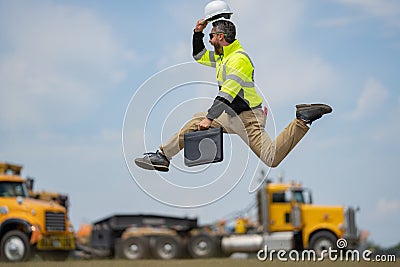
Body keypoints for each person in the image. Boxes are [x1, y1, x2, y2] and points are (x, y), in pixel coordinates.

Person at [134, 19, 332, 172]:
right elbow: (198, 56)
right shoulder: (223, 56)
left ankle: (302, 120)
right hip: (230, 116)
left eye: (211, 36)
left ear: (220, 37)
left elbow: (227, 93)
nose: (209, 40)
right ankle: (163, 156)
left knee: (271, 158)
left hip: (248, 119)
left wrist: (209, 118)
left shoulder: (238, 60)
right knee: (195, 120)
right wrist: (198, 32)